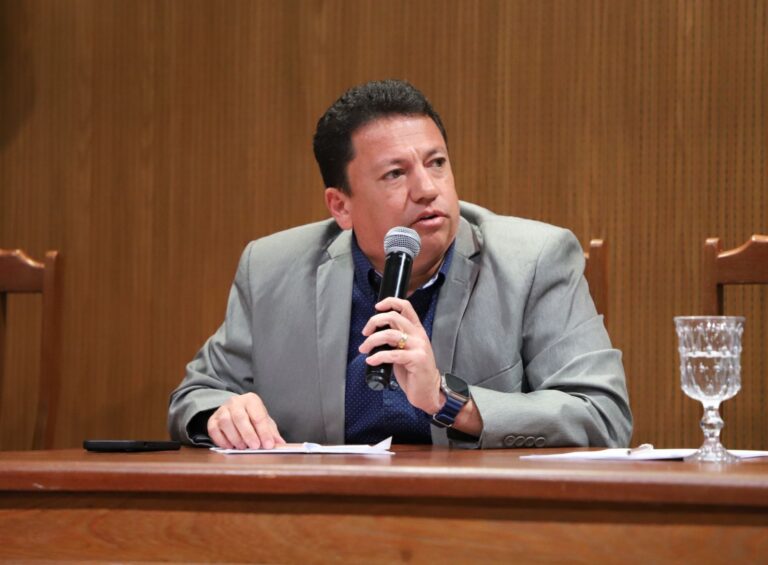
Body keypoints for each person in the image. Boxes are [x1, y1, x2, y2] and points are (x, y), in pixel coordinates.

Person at [168, 79, 632, 450]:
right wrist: (221, 414)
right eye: (395, 174)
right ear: (341, 206)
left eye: (437, 163)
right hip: (318, 516)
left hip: (475, 519)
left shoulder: (535, 260)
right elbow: (196, 395)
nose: (427, 189)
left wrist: (451, 402)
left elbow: (603, 414)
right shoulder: (272, 269)